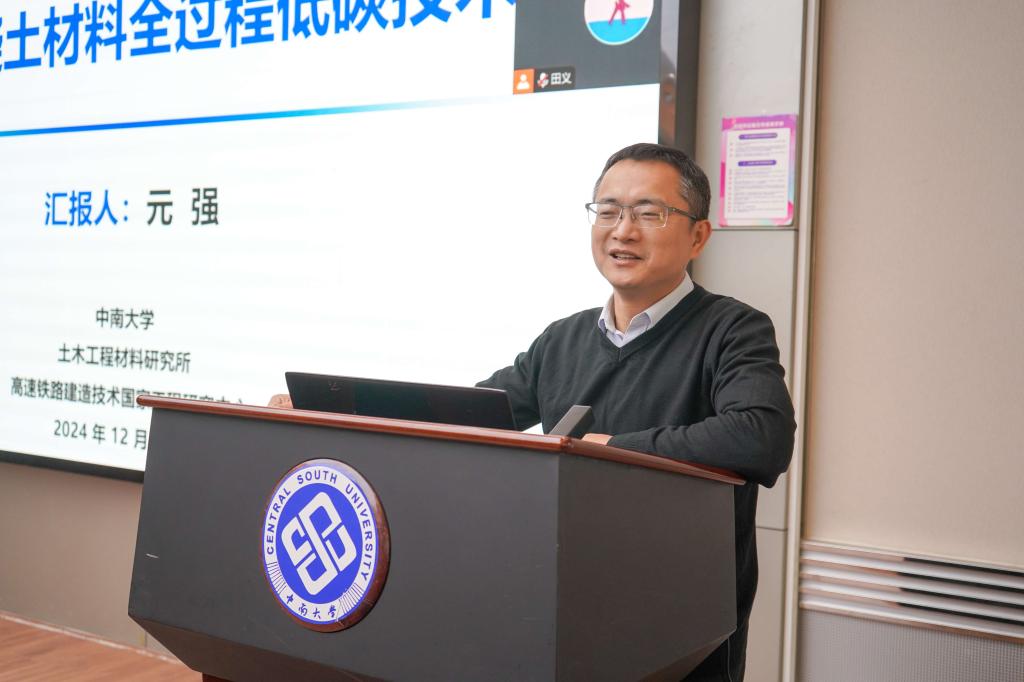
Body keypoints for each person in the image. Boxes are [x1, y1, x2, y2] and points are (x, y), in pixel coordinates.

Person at [476, 142, 796, 681]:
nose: (623, 231)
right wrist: (345, 407)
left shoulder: (732, 330)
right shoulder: (562, 339)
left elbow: (761, 437)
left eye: (649, 214)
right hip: (564, 618)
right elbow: (475, 415)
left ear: (698, 236)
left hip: (678, 636)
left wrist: (612, 450)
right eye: (608, 211)